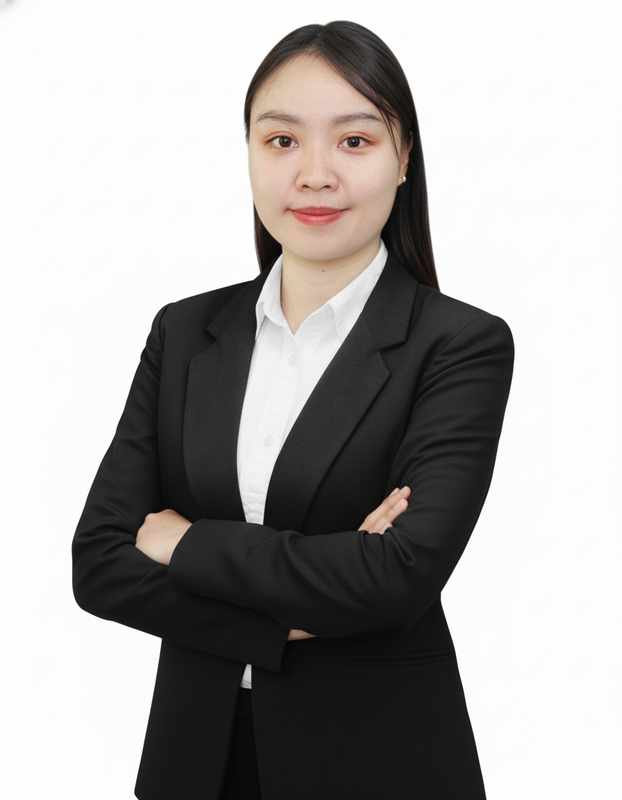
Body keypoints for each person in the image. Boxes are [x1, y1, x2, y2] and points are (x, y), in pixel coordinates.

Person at [72, 20, 514, 800]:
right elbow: (100, 564)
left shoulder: (458, 345)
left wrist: (182, 540)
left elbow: (396, 577)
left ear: (404, 158)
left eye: (354, 141)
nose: (314, 175)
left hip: (377, 763)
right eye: (281, 141)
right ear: (248, 152)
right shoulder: (185, 331)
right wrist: (290, 614)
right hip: (193, 763)